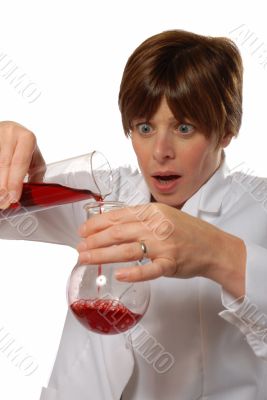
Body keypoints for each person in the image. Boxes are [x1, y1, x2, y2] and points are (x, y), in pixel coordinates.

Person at [1, 29, 267, 400]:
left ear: (227, 130)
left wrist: (218, 254)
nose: (160, 151)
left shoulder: (260, 205)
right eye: (145, 127)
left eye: (184, 127)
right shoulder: (104, 194)